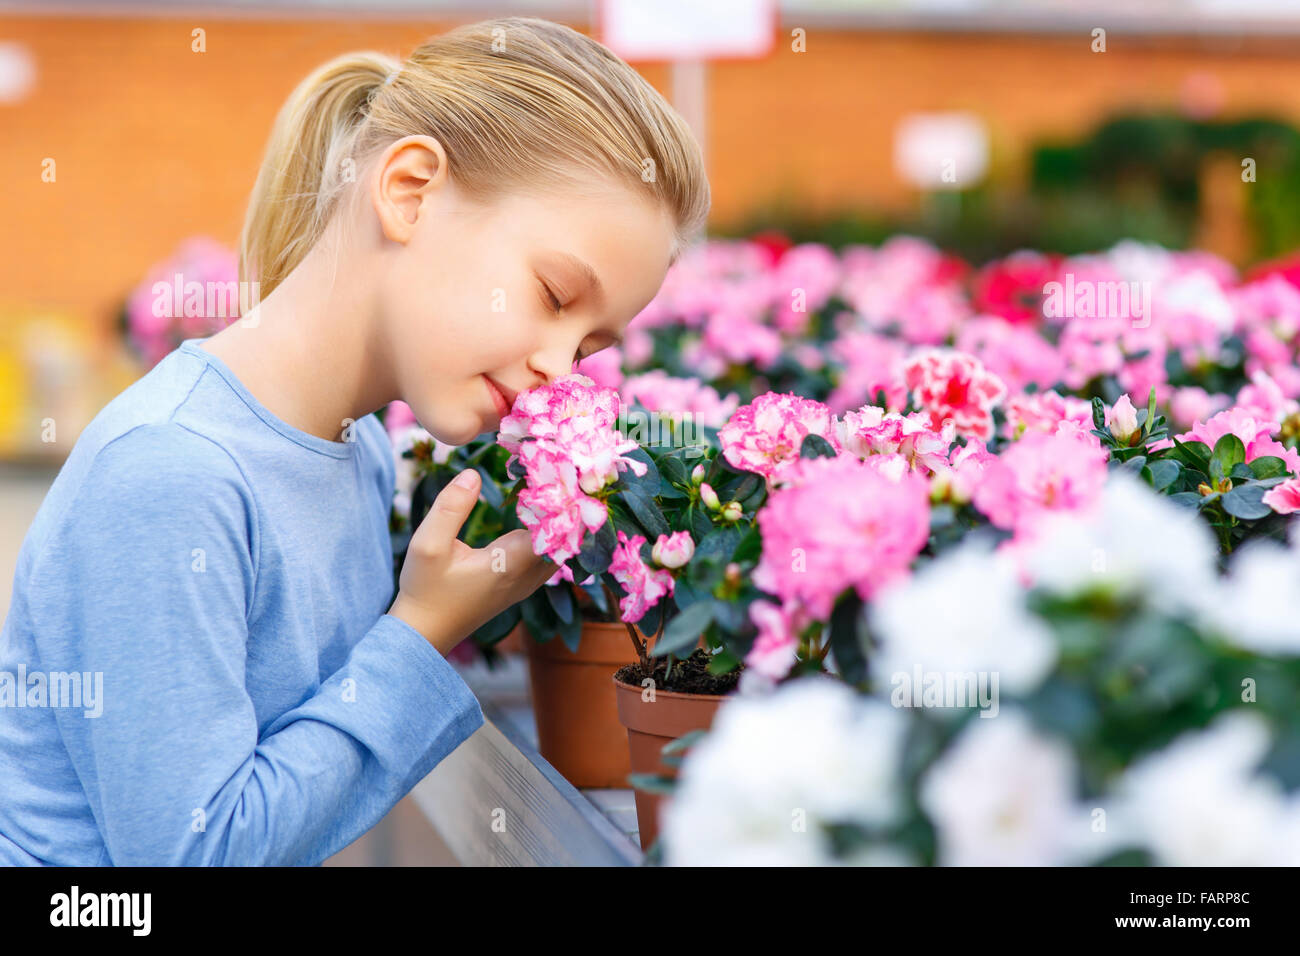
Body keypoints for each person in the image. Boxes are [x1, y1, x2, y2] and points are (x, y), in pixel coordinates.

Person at [0, 16, 709, 865]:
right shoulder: (171, 471)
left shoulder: (359, 446)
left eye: (592, 346)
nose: (563, 370)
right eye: (556, 295)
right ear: (409, 190)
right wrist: (419, 631)